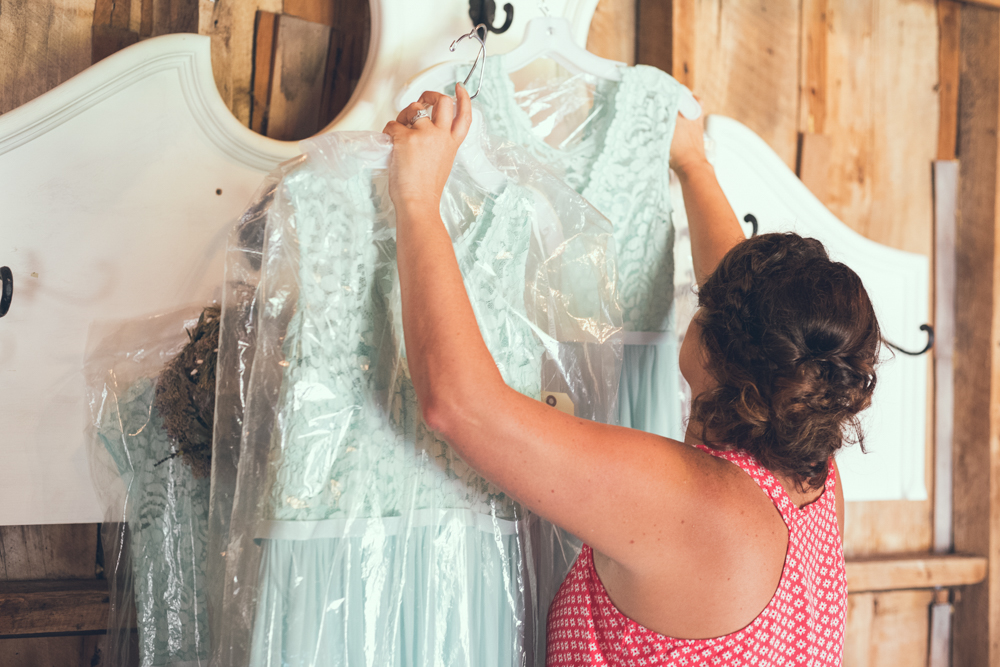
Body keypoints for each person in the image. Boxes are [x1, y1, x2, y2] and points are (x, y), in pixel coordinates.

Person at [382, 84, 879, 665]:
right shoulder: (813, 476)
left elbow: (460, 405)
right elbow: (748, 302)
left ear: (714, 347)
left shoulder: (693, 506)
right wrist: (693, 166)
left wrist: (417, 199)